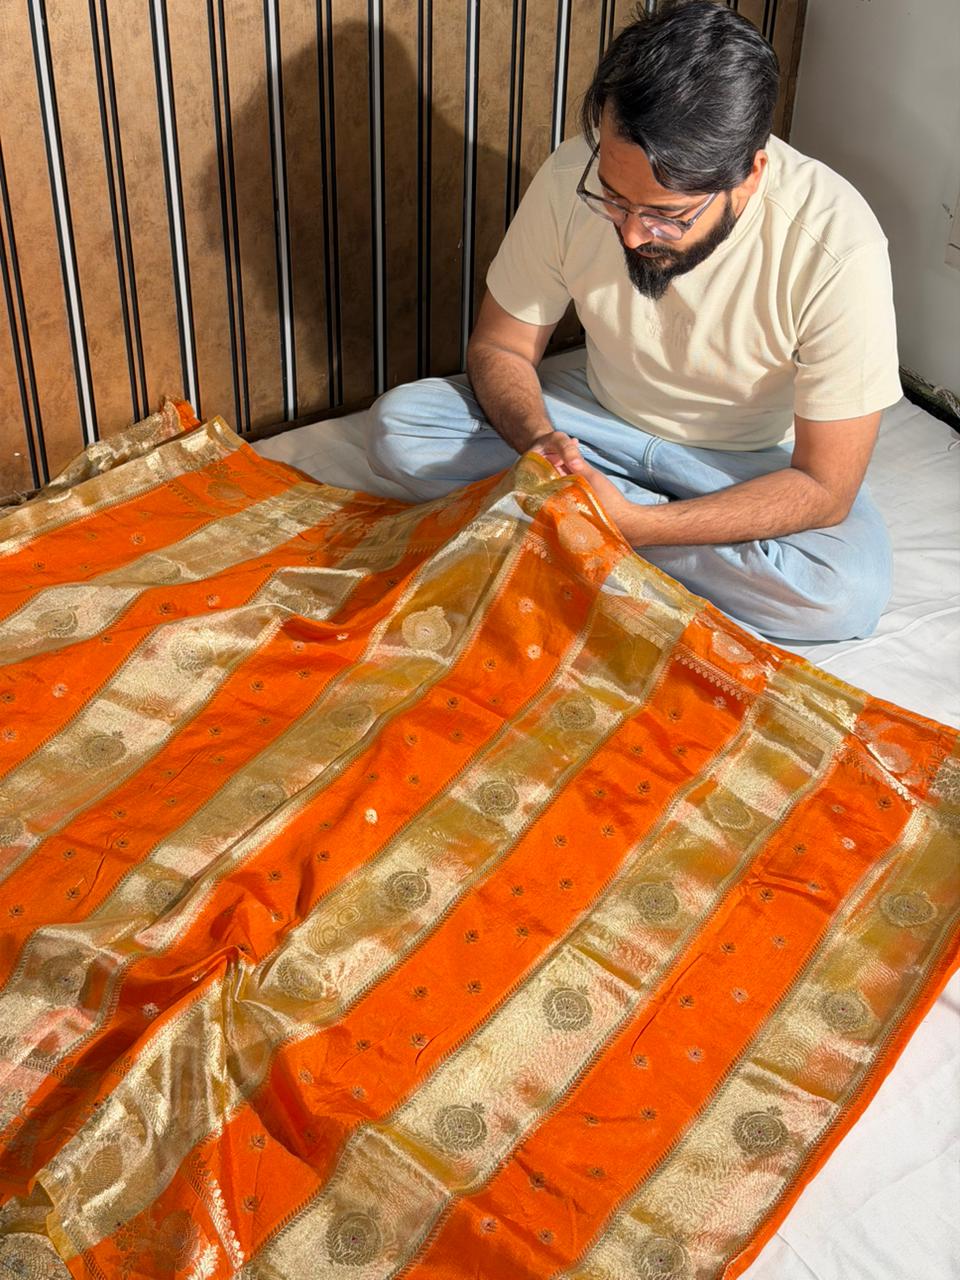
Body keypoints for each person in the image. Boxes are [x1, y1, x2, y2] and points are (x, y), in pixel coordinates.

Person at [365, 0, 903, 643]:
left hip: (741, 463)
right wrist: (539, 442)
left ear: (751, 173)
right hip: (589, 420)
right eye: (613, 199)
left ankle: (588, 519)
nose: (628, 234)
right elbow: (502, 346)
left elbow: (824, 486)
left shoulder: (836, 245)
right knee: (402, 427)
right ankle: (597, 509)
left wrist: (637, 524)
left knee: (839, 593)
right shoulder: (572, 174)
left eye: (665, 215)